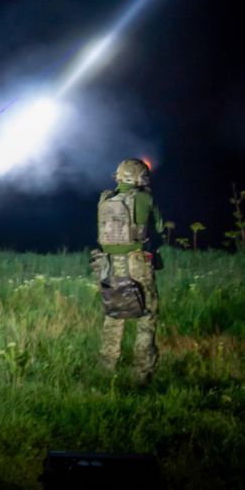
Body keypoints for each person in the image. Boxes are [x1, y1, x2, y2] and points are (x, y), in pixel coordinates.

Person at [93, 158, 164, 383]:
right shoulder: (145, 198)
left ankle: (106, 370)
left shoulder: (105, 199)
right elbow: (160, 229)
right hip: (137, 263)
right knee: (147, 316)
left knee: (114, 315)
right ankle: (143, 373)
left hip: (109, 265)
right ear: (140, 178)